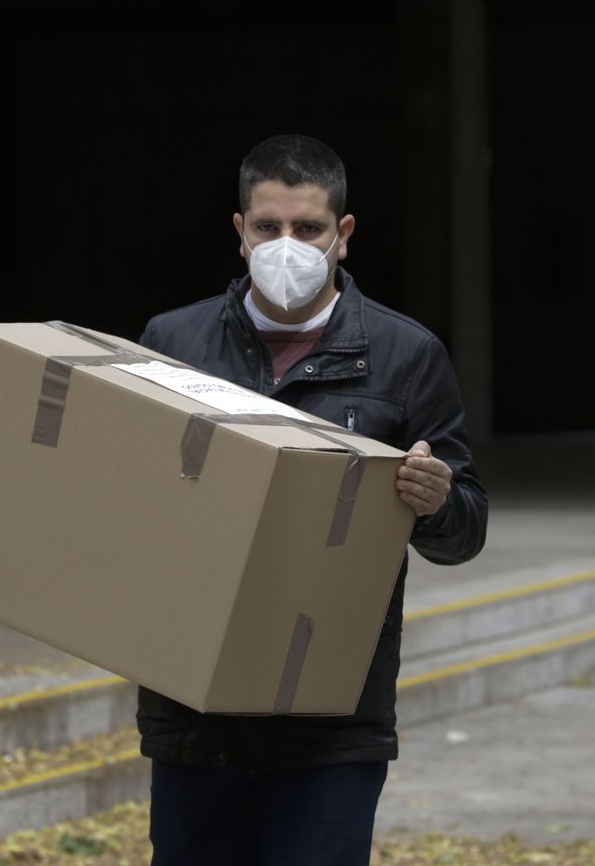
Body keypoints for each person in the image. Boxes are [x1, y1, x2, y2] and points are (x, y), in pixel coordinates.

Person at [134, 133, 489, 865]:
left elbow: (465, 532)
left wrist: (436, 500)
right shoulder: (172, 345)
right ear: (239, 234)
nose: (286, 245)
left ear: (344, 236)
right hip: (197, 709)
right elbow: (129, 509)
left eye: (308, 229)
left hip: (334, 714)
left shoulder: (405, 355)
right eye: (267, 228)